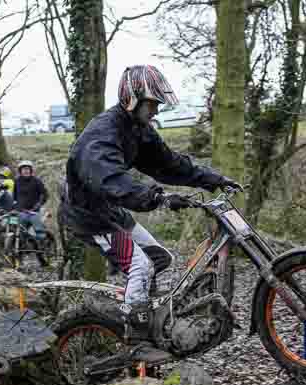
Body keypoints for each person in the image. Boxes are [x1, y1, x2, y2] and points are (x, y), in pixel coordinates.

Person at [60, 64, 241, 339]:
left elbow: (169, 164)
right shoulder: (102, 134)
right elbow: (111, 181)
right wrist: (160, 198)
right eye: (152, 104)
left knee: (159, 259)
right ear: (131, 99)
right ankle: (134, 338)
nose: (156, 110)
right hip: (88, 217)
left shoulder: (137, 128)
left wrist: (213, 179)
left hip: (110, 211)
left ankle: (144, 311)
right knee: (140, 266)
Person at [14, 160, 48, 241]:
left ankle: (45, 248)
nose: (25, 171)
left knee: (40, 233)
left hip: (34, 211)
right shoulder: (17, 181)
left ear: (31, 170)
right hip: (22, 212)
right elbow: (14, 196)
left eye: (27, 169)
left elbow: (44, 194)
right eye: (23, 169)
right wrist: (15, 206)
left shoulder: (37, 181)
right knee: (20, 234)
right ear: (20, 171)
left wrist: (38, 205)